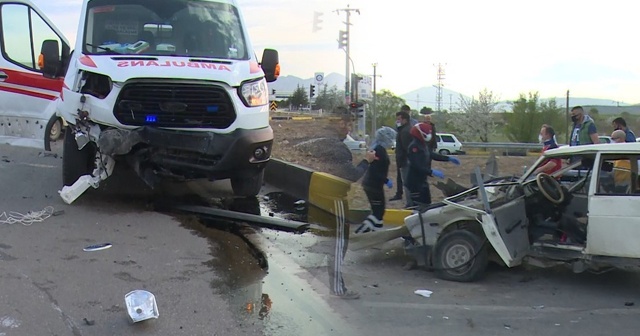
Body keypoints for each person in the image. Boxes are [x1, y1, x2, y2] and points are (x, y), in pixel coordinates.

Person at [293, 107, 376, 300]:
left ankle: (303, 281)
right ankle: (337, 289)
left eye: (350, 123)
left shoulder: (321, 141)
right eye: (345, 123)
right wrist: (366, 161)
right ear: (335, 122)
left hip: (317, 197)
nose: (348, 128)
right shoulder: (338, 148)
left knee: (324, 242)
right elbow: (351, 176)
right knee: (339, 244)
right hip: (334, 200)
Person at [406, 122, 460, 206]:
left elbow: (431, 155)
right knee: (418, 205)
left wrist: (448, 158)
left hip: (422, 180)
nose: (430, 135)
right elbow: (417, 165)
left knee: (427, 202)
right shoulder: (414, 147)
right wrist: (431, 172)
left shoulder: (423, 144)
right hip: (415, 182)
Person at [355, 126, 396, 233]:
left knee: (379, 211)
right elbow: (375, 170)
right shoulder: (379, 150)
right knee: (378, 212)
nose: (392, 141)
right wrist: (386, 180)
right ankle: (360, 233)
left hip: (374, 184)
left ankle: (376, 234)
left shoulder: (379, 148)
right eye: (390, 138)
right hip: (373, 185)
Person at [390, 109, 414, 205]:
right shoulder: (405, 129)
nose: (397, 121)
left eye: (399, 119)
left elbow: (406, 148)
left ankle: (410, 204)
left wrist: (402, 160)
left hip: (405, 161)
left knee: (407, 184)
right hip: (406, 161)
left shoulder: (405, 131)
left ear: (405, 120)